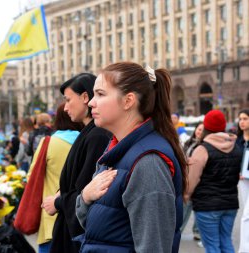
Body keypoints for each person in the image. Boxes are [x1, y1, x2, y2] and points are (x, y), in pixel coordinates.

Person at [76, 62, 187, 252]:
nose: (91, 102)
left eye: (101, 94)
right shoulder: (115, 152)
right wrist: (85, 197)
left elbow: (154, 247)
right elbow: (98, 229)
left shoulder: (148, 163)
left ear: (128, 101)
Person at [41, 73, 111, 253]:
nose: (65, 108)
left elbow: (86, 190)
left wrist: (58, 202)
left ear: (85, 98)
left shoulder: (97, 135)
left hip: (77, 235)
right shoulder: (89, 132)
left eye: (68, 100)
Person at [27, 103, 83, 253]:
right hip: (79, 215)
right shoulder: (87, 141)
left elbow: (31, 176)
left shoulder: (49, 143)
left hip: (51, 215)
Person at [185, 109, 242, 253]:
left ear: (206, 127)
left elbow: (192, 177)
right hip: (230, 204)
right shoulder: (235, 147)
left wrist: (186, 195)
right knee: (226, 241)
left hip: (207, 205)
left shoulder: (202, 149)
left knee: (212, 246)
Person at [181, 122, 204, 245]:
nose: (200, 132)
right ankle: (179, 230)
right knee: (185, 207)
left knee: (195, 207)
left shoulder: (204, 146)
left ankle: (197, 232)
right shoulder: (189, 143)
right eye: (198, 129)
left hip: (198, 180)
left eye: (202, 130)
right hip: (186, 178)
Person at [237, 109, 249, 253]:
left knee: (246, 214)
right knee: (246, 211)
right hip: (242, 180)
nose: (242, 122)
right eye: (240, 119)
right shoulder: (238, 140)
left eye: (245, 118)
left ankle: (244, 249)